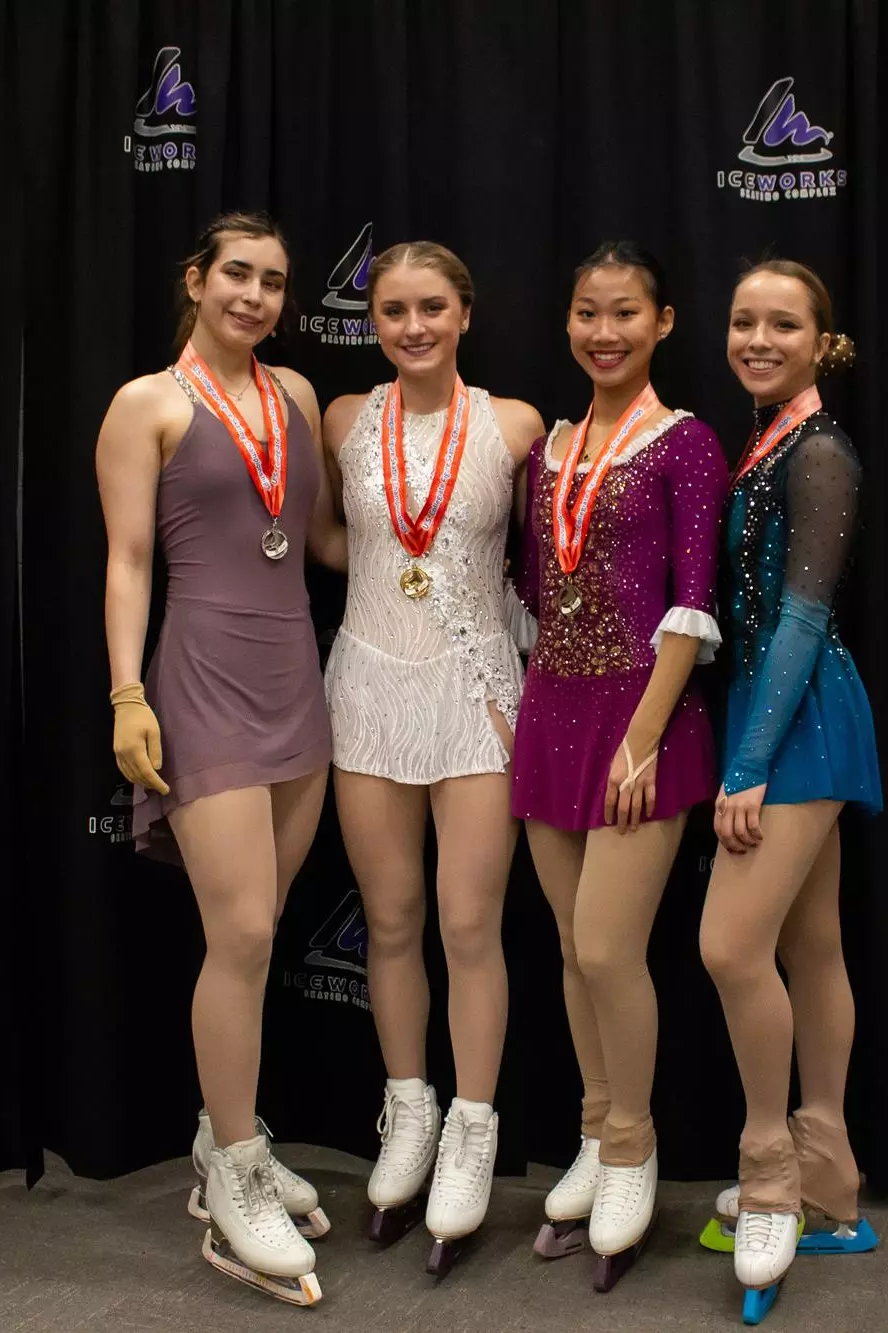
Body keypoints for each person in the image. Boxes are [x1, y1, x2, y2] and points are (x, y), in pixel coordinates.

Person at [94, 210, 336, 1306]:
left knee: (262, 929)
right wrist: (126, 693)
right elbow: (129, 558)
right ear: (196, 279)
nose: (254, 294)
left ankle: (217, 1137)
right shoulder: (146, 403)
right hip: (199, 680)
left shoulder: (291, 399)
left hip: (297, 677)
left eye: (274, 281)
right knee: (235, 930)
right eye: (236, 273)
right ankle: (236, 1174)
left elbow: (321, 540)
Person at [319, 241, 542, 1267]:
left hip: (478, 691)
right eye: (392, 309)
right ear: (373, 320)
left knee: (467, 922)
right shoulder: (339, 420)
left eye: (431, 308)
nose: (412, 326)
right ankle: (407, 1106)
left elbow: (537, 557)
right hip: (367, 682)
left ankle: (473, 1127)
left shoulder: (511, 424)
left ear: (463, 313)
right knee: (393, 918)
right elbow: (331, 539)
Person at [512, 240, 728, 1288]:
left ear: (663, 322)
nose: (604, 331)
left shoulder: (685, 444)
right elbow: (534, 581)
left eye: (625, 314)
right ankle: (594, 1132)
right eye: (587, 312)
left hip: (644, 718)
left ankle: (634, 1144)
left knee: (607, 947)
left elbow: (692, 604)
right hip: (550, 707)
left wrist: (642, 738)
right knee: (566, 943)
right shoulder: (550, 447)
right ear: (566, 322)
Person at [698, 259, 883, 1309]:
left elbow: (803, 619)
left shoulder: (817, 453)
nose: (757, 338)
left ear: (823, 343)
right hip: (781, 710)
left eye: (781, 324)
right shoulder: (768, 437)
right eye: (742, 322)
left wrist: (748, 766)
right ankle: (832, 1183)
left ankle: (769, 1168)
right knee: (810, 945)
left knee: (728, 945)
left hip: (798, 720)